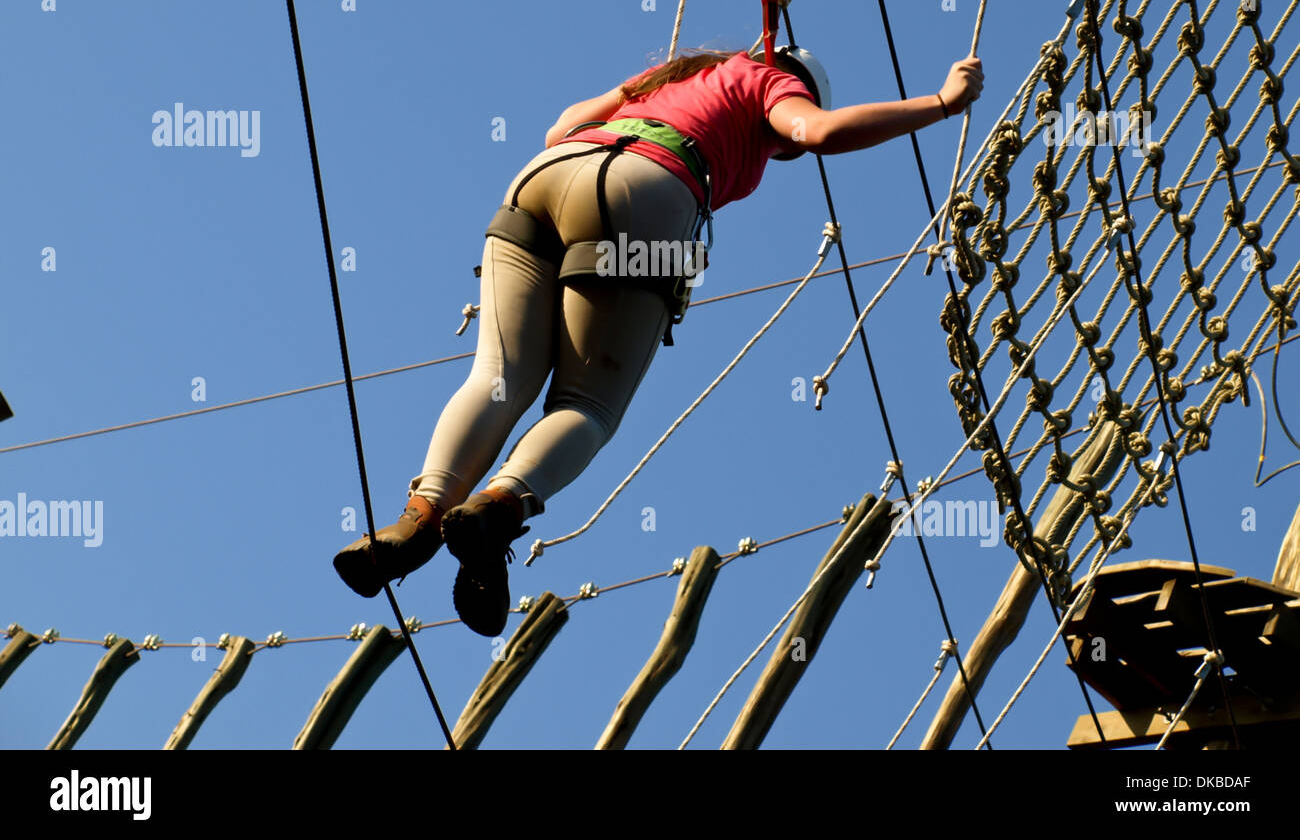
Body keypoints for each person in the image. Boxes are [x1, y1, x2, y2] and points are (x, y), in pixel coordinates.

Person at [333, 44, 984, 635]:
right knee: (585, 405)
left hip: (545, 176)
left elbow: (560, 126)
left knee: (497, 378)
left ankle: (417, 519)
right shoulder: (768, 86)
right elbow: (817, 132)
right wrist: (941, 102)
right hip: (647, 191)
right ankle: (495, 509)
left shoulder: (677, 74)